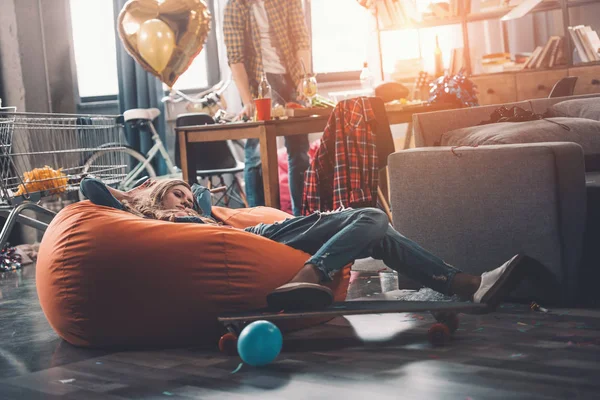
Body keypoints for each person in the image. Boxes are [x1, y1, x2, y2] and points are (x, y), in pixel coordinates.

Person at [81, 177, 536, 311]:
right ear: (152, 197)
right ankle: (463, 284)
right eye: (172, 192)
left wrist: (193, 196)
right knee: (374, 221)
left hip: (254, 236)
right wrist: (137, 196)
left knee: (376, 226)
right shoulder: (145, 215)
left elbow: (203, 195)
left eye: (183, 191)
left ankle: (463, 283)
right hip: (248, 239)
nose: (182, 196)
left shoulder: (200, 209)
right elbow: (92, 186)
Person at [223, 0, 311, 216]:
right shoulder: (236, 6)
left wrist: (303, 78)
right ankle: (260, 220)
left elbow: (301, 40)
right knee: (256, 153)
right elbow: (236, 59)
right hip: (259, 83)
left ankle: (302, 217)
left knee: (299, 153)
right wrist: (247, 101)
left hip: (290, 78)